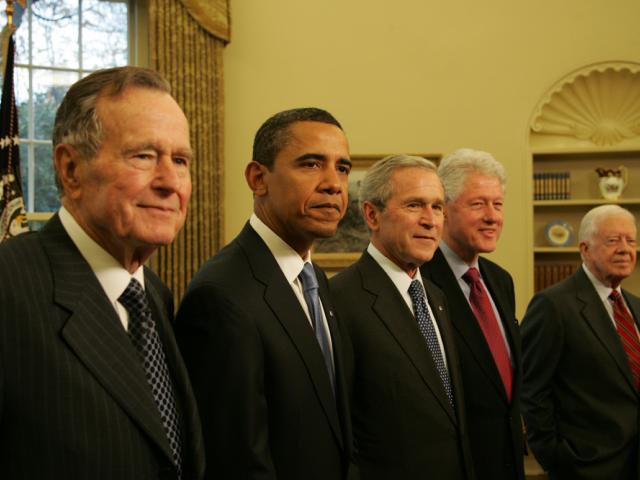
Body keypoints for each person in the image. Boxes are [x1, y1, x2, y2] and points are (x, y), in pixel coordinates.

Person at [0, 66, 204, 479]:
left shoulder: (155, 297)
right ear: (71, 169)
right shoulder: (9, 287)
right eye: (143, 156)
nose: (170, 181)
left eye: (180, 160)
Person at [175, 108, 358, 480]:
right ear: (258, 178)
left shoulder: (316, 279)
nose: (333, 184)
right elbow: (234, 461)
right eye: (311, 165)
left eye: (342, 168)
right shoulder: (221, 294)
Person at [330, 154, 475, 479]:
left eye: (437, 207)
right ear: (372, 214)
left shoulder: (436, 297)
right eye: (414, 206)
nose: (431, 220)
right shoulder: (340, 299)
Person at [421, 148, 524, 480]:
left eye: (498, 204)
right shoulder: (420, 281)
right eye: (478, 204)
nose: (492, 216)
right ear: (444, 211)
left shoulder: (500, 280)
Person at [521, 204, 640, 480]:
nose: (625, 249)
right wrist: (557, 459)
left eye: (631, 241)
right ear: (585, 249)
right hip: (585, 467)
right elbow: (532, 390)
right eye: (613, 241)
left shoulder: (635, 306)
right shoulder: (553, 305)